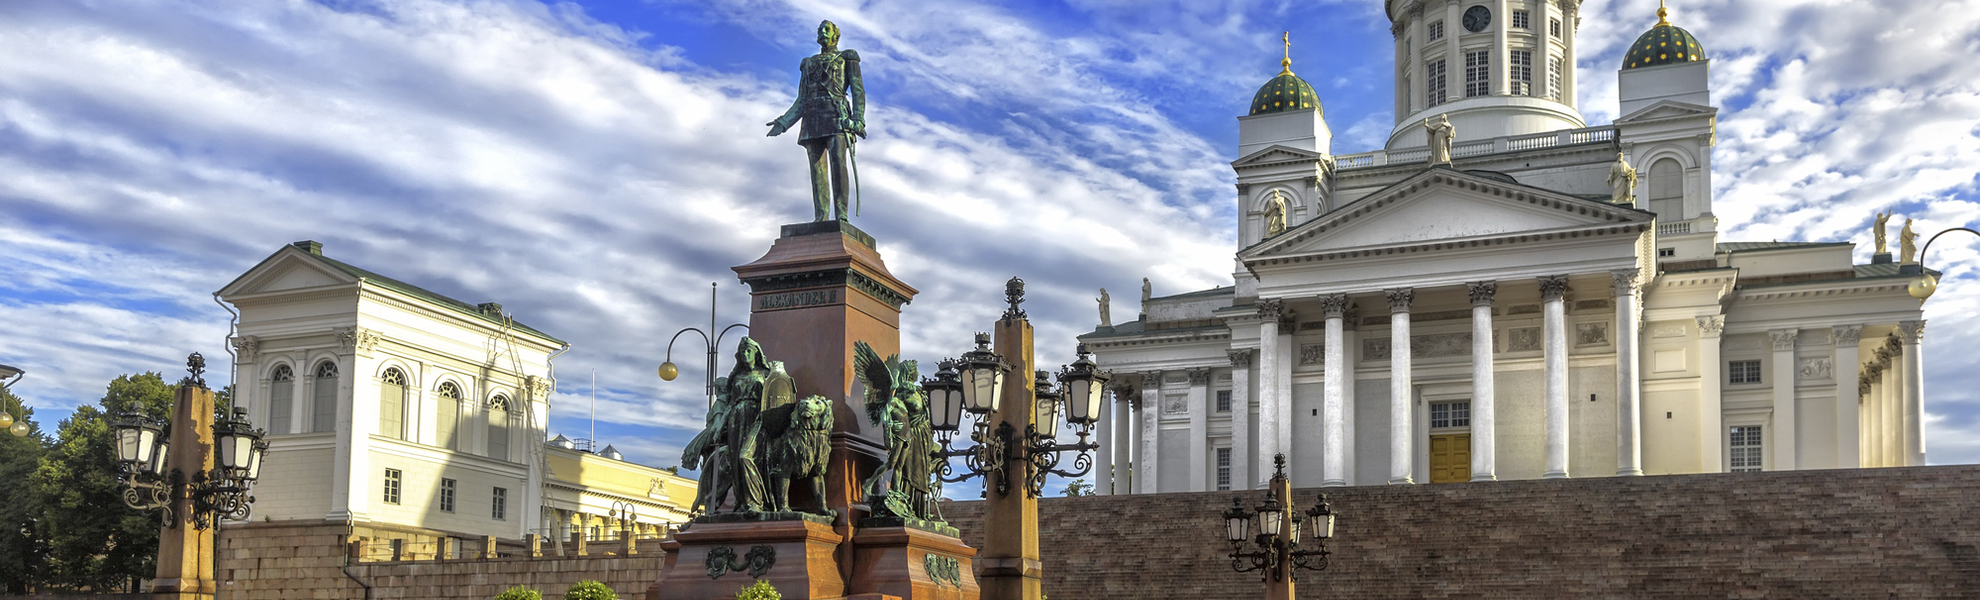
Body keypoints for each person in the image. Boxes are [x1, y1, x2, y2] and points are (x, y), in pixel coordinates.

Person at [767, 20, 865, 222]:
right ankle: (821, 217)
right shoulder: (808, 63)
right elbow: (802, 99)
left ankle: (841, 215)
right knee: (817, 171)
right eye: (820, 30)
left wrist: (858, 119)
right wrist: (784, 122)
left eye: (827, 29)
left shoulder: (846, 58)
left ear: (836, 35)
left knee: (838, 166)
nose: (822, 32)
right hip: (812, 118)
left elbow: (858, 91)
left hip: (837, 117)